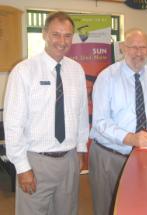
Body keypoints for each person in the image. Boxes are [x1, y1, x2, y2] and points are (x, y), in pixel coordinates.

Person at [4, 11, 89, 215]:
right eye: (56, 34)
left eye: (67, 35)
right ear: (44, 34)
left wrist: (80, 149)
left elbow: (81, 114)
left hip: (69, 160)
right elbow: (13, 123)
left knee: (66, 211)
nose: (62, 41)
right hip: (36, 161)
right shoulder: (24, 71)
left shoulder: (77, 70)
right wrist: (22, 167)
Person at [89, 28, 147, 215]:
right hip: (110, 158)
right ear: (122, 48)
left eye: (143, 48)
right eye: (133, 47)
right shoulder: (106, 77)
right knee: (108, 208)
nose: (138, 52)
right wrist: (130, 138)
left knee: (141, 207)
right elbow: (100, 122)